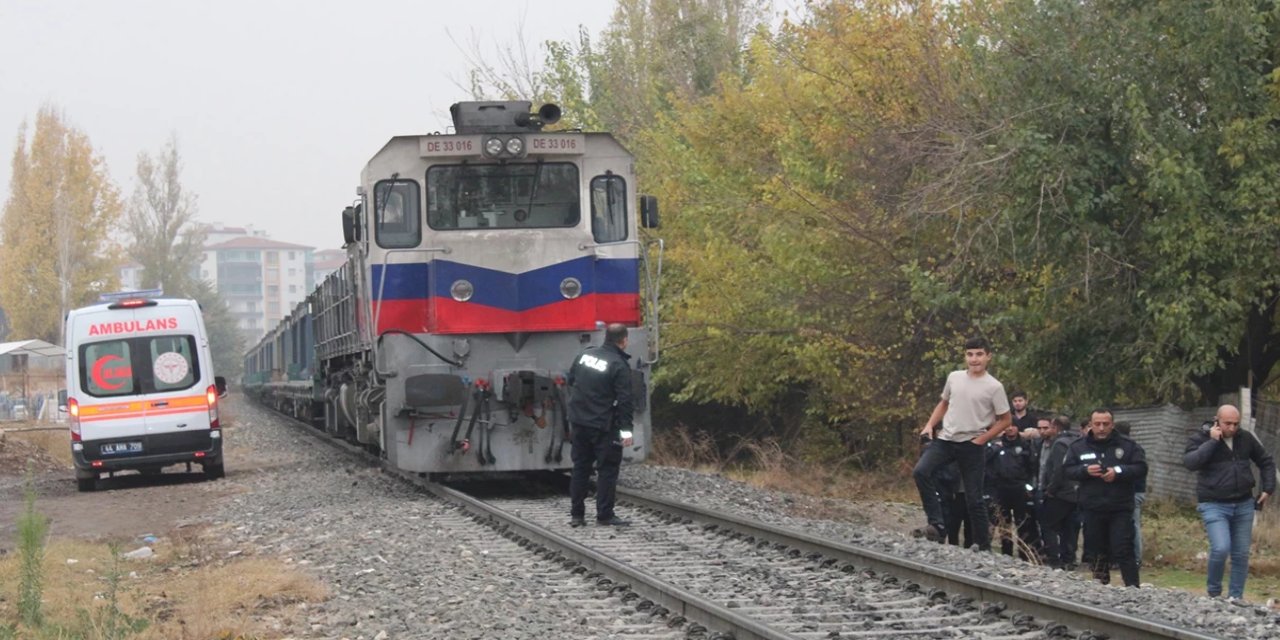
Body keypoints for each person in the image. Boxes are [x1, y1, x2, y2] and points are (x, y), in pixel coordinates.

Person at [913, 336, 1012, 551]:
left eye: (979, 354)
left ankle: (983, 545)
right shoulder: (954, 377)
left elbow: (1006, 420)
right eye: (970, 354)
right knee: (921, 471)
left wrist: (982, 440)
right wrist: (930, 425)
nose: (974, 359)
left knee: (974, 497)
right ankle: (937, 525)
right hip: (946, 439)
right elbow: (944, 403)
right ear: (965, 356)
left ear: (988, 357)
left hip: (972, 443)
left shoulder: (994, 386)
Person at [1183, 404, 1276, 600]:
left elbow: (1266, 461)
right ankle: (1214, 592)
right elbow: (1191, 463)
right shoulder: (1200, 438)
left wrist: (1267, 488)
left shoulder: (1245, 438)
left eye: (1236, 424)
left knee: (1241, 554)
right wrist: (1212, 442)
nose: (1232, 428)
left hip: (1243, 503)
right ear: (1217, 420)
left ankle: (1236, 596)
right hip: (1213, 503)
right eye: (1228, 424)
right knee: (1221, 547)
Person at [1064, 409, 1146, 587]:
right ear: (1090, 425)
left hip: (1120, 507)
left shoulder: (1128, 446)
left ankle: (1133, 588)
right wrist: (1084, 471)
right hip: (1092, 507)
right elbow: (1067, 470)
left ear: (1112, 425)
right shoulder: (1078, 446)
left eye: (1105, 424)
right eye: (1097, 424)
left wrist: (1118, 472)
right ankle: (1101, 587)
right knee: (1095, 550)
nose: (1101, 428)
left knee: (1123, 547)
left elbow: (1141, 468)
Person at [566, 323, 634, 527]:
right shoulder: (619, 365)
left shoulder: (585, 355)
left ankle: (577, 515)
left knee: (580, 468)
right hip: (603, 425)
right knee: (607, 469)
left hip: (578, 421)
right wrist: (626, 431)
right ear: (624, 340)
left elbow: (571, 380)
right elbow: (625, 401)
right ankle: (604, 515)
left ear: (606, 337)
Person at [985, 421, 1039, 558]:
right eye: (1006, 426)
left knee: (1023, 522)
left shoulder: (1026, 446)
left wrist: (1029, 487)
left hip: (1020, 489)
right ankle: (1006, 552)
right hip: (1001, 489)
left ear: (1017, 428)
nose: (1009, 429)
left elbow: (1033, 468)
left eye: (1012, 426)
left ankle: (1024, 554)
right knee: (1004, 522)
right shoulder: (996, 446)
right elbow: (987, 465)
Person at [1040, 415, 1081, 569]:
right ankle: (1069, 559)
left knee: (1048, 525)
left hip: (1061, 493)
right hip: (1075, 492)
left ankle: (1054, 560)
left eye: (1050, 427)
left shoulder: (1059, 444)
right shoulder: (1077, 441)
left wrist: (1050, 489)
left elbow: (1059, 469)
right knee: (1069, 527)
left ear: (1056, 427)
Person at [1114, 421, 1146, 566]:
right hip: (1137, 491)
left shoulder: (1127, 449)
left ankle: (1136, 559)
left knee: (1132, 525)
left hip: (1132, 492)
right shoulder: (1136, 447)